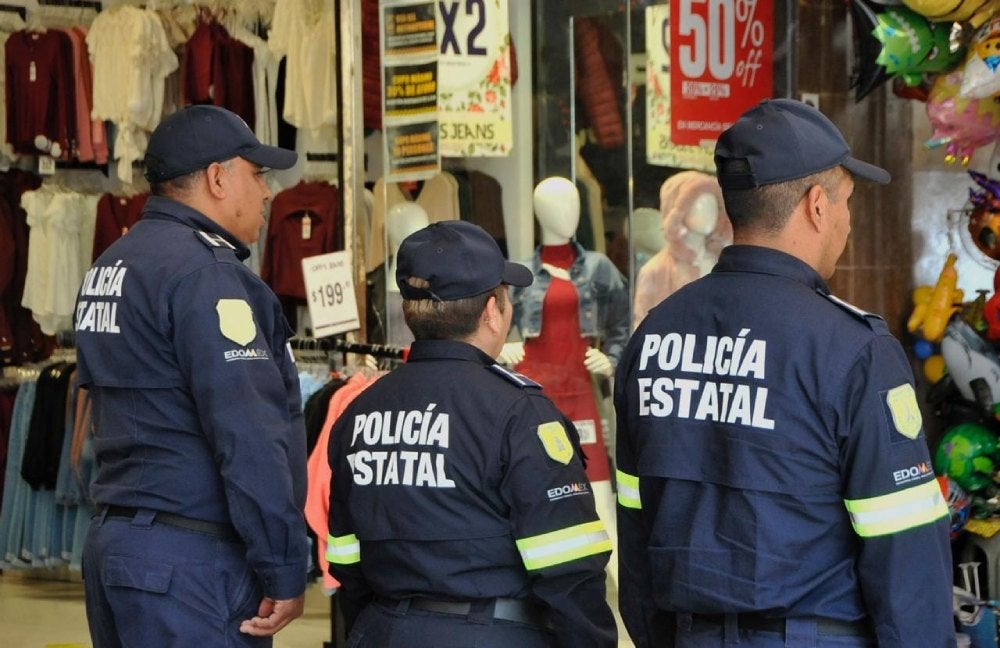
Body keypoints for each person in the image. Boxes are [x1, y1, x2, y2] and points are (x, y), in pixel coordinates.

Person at [614, 98, 955, 648]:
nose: (848, 219)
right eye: (846, 201)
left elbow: (636, 525)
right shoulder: (853, 349)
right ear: (817, 205)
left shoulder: (653, 335)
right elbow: (904, 552)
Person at [74, 105, 309, 646]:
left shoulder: (112, 264)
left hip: (120, 547)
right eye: (258, 175)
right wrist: (282, 564)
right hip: (191, 563)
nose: (268, 193)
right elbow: (248, 432)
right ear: (218, 178)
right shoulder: (209, 277)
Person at [326, 219, 617, 648]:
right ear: (492, 313)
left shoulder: (359, 411)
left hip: (384, 628)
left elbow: (347, 560)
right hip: (494, 633)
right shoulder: (520, 413)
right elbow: (569, 569)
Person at [632, 170, 732, 329]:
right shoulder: (656, 270)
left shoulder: (726, 264)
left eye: (714, 205)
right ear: (676, 212)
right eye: (698, 206)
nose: (709, 213)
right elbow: (642, 330)